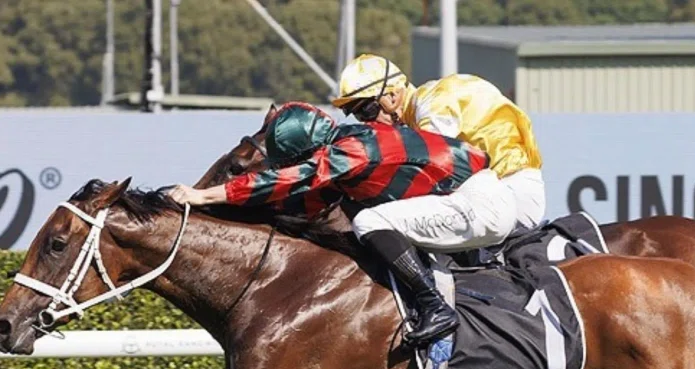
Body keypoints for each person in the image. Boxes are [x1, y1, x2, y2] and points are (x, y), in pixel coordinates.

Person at [168, 102, 515, 347]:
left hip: (479, 205)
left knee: (368, 220)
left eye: (291, 161)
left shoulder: (352, 151)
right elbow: (306, 206)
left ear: (306, 151)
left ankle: (434, 306)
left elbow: (291, 181)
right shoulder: (346, 146)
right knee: (363, 218)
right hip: (465, 201)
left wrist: (202, 197)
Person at [332, 55, 545, 231]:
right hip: (505, 191)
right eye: (359, 117)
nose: (368, 122)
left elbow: (430, 173)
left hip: (509, 195)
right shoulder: (426, 102)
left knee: (380, 221)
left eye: (367, 111)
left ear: (392, 95)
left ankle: (435, 283)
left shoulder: (433, 105)